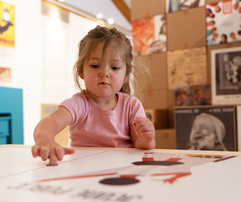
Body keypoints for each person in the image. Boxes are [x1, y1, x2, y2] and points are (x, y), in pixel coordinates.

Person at [32, 26, 156, 165]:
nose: (104, 73)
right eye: (95, 65)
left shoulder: (131, 105)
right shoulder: (79, 103)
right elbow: (51, 122)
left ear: (126, 75)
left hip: (123, 170)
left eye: (114, 67)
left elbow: (141, 144)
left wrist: (147, 139)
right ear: (80, 70)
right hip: (83, 171)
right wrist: (44, 138)